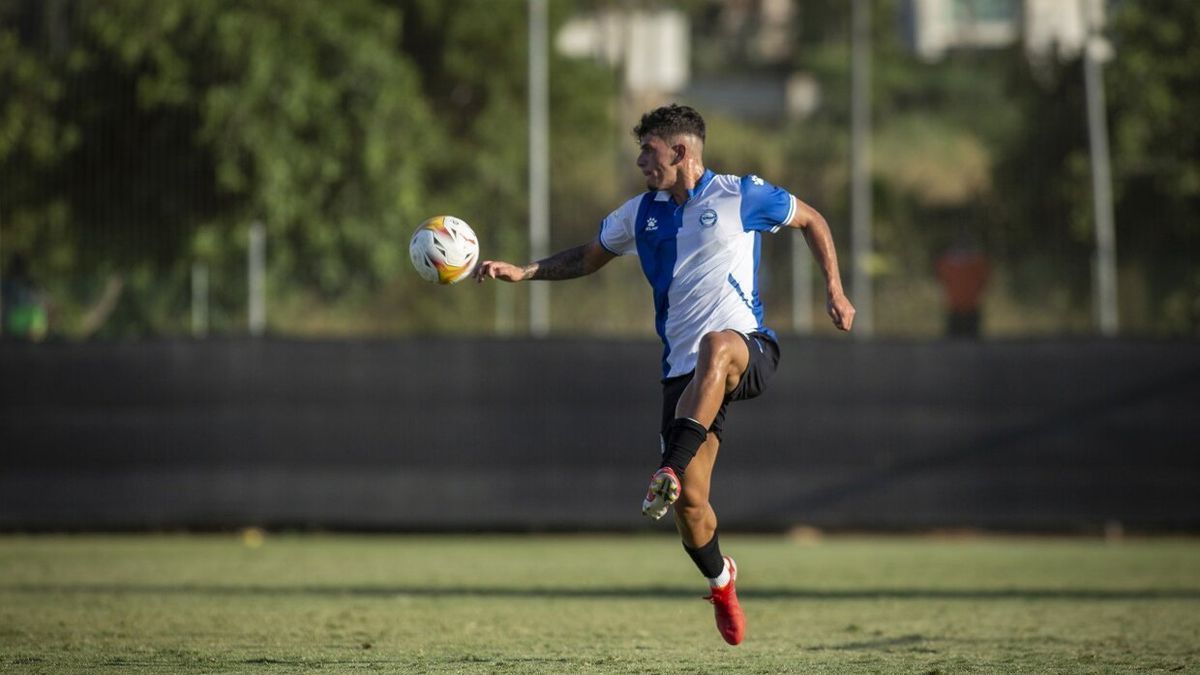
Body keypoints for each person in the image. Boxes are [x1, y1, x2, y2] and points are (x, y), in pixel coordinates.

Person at [474, 104, 854, 645]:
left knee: (716, 345)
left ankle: (668, 468)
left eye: (647, 151)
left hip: (747, 350)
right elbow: (586, 257)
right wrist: (525, 271)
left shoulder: (740, 193)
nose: (639, 161)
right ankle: (722, 581)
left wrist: (834, 290)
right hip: (683, 374)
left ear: (680, 152)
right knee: (691, 508)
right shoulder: (639, 214)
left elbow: (813, 219)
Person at [935, 235, 989, 338]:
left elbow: (984, 280)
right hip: (955, 307)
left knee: (972, 342)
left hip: (971, 307)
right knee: (953, 342)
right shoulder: (947, 262)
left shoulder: (977, 261)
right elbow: (941, 280)